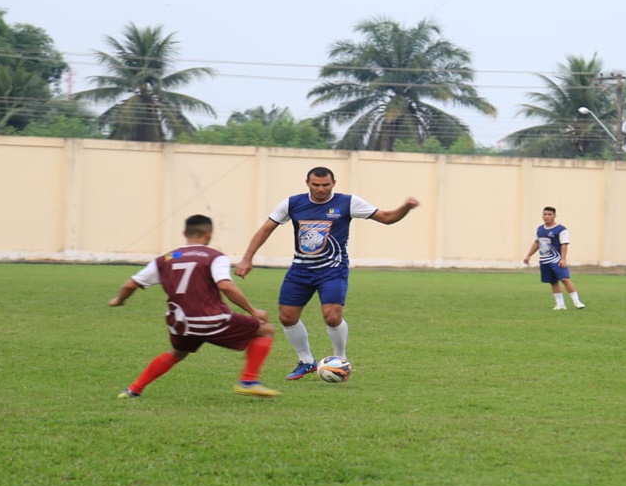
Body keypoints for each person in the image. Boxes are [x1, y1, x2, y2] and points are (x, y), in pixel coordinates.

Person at [233, 166, 420, 381]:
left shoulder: (347, 202)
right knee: (287, 317)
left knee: (332, 317)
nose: (321, 189)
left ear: (334, 183)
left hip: (332, 269)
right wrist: (247, 258)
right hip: (300, 270)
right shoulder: (292, 203)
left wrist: (405, 207)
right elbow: (265, 229)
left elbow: (387, 217)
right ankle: (306, 361)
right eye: (316, 185)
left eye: (325, 185)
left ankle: (340, 359)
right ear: (307, 183)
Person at [108, 214, 279, 399]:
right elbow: (225, 285)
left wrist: (119, 300)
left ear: (184, 233)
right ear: (209, 234)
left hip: (181, 323)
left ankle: (134, 389)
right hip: (210, 319)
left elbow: (130, 284)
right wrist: (254, 311)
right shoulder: (214, 256)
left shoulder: (165, 259)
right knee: (266, 330)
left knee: (177, 353)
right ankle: (248, 381)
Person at [522, 206, 585, 310]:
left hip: (557, 260)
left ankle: (576, 301)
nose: (546, 217)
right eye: (545, 214)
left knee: (565, 279)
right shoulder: (540, 229)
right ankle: (560, 304)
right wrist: (528, 255)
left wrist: (563, 259)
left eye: (549, 214)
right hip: (544, 260)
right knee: (553, 281)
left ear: (554, 216)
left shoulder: (561, 229)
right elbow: (537, 243)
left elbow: (564, 244)